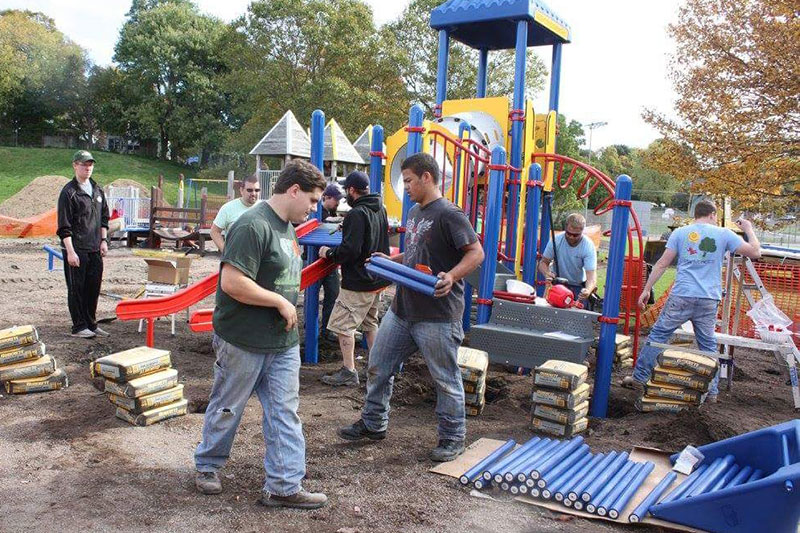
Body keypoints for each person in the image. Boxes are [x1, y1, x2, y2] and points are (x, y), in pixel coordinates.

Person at [194, 160, 328, 509]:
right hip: (242, 339)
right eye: (312, 201)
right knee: (227, 406)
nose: (314, 208)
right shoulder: (252, 226)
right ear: (294, 190)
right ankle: (207, 465)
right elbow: (233, 282)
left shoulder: (287, 228)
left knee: (285, 412)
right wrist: (280, 304)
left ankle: (284, 486)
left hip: (281, 343)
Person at [337, 152, 484, 462]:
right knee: (378, 365)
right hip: (404, 310)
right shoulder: (416, 212)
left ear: (426, 178)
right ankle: (374, 423)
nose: (404, 187)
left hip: (438, 315)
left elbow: (476, 253)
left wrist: (453, 274)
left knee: (445, 378)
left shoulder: (450, 214)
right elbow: (417, 252)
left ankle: (452, 438)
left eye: (408, 181)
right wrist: (393, 261)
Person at [622, 200, 761, 402]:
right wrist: (749, 229)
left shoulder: (680, 233)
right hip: (708, 298)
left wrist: (646, 289)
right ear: (713, 214)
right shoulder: (724, 234)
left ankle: (639, 377)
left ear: (695, 215)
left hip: (682, 294)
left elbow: (662, 263)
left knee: (659, 335)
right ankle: (712, 392)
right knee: (707, 345)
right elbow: (755, 253)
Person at [318, 171, 390, 387]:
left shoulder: (357, 213)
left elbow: (350, 250)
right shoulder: (379, 208)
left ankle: (349, 370)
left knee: (342, 325)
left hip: (358, 281)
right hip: (377, 278)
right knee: (370, 323)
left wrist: (328, 253)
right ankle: (376, 368)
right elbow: (371, 235)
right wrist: (347, 224)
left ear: (351, 190)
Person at [56, 150, 110, 339]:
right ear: (75, 165)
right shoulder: (69, 192)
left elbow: (104, 218)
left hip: (95, 248)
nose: (87, 168)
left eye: (90, 165)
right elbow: (64, 226)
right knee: (77, 288)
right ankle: (79, 326)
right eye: (83, 164)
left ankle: (91, 324)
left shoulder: (97, 190)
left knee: (93, 288)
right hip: (76, 249)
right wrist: (70, 252)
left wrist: (103, 240)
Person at [538, 213, 597, 302]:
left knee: (575, 313)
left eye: (576, 235)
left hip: (578, 286)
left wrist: (588, 290)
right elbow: (543, 263)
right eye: (569, 233)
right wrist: (547, 273)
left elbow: (591, 276)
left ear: (582, 231)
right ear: (565, 228)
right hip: (557, 284)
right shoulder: (556, 240)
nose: (571, 237)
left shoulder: (588, 246)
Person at [209, 173, 261, 253]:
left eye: (257, 190)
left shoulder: (265, 208)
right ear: (241, 190)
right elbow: (214, 232)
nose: (253, 193)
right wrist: (225, 251)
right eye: (249, 190)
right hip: (234, 260)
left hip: (259, 260)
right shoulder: (228, 208)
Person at [319, 183, 343, 340]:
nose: (338, 203)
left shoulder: (332, 211)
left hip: (329, 259)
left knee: (333, 293)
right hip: (315, 258)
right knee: (312, 295)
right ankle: (311, 327)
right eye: (336, 200)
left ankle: (327, 329)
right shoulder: (319, 212)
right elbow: (326, 221)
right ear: (326, 198)